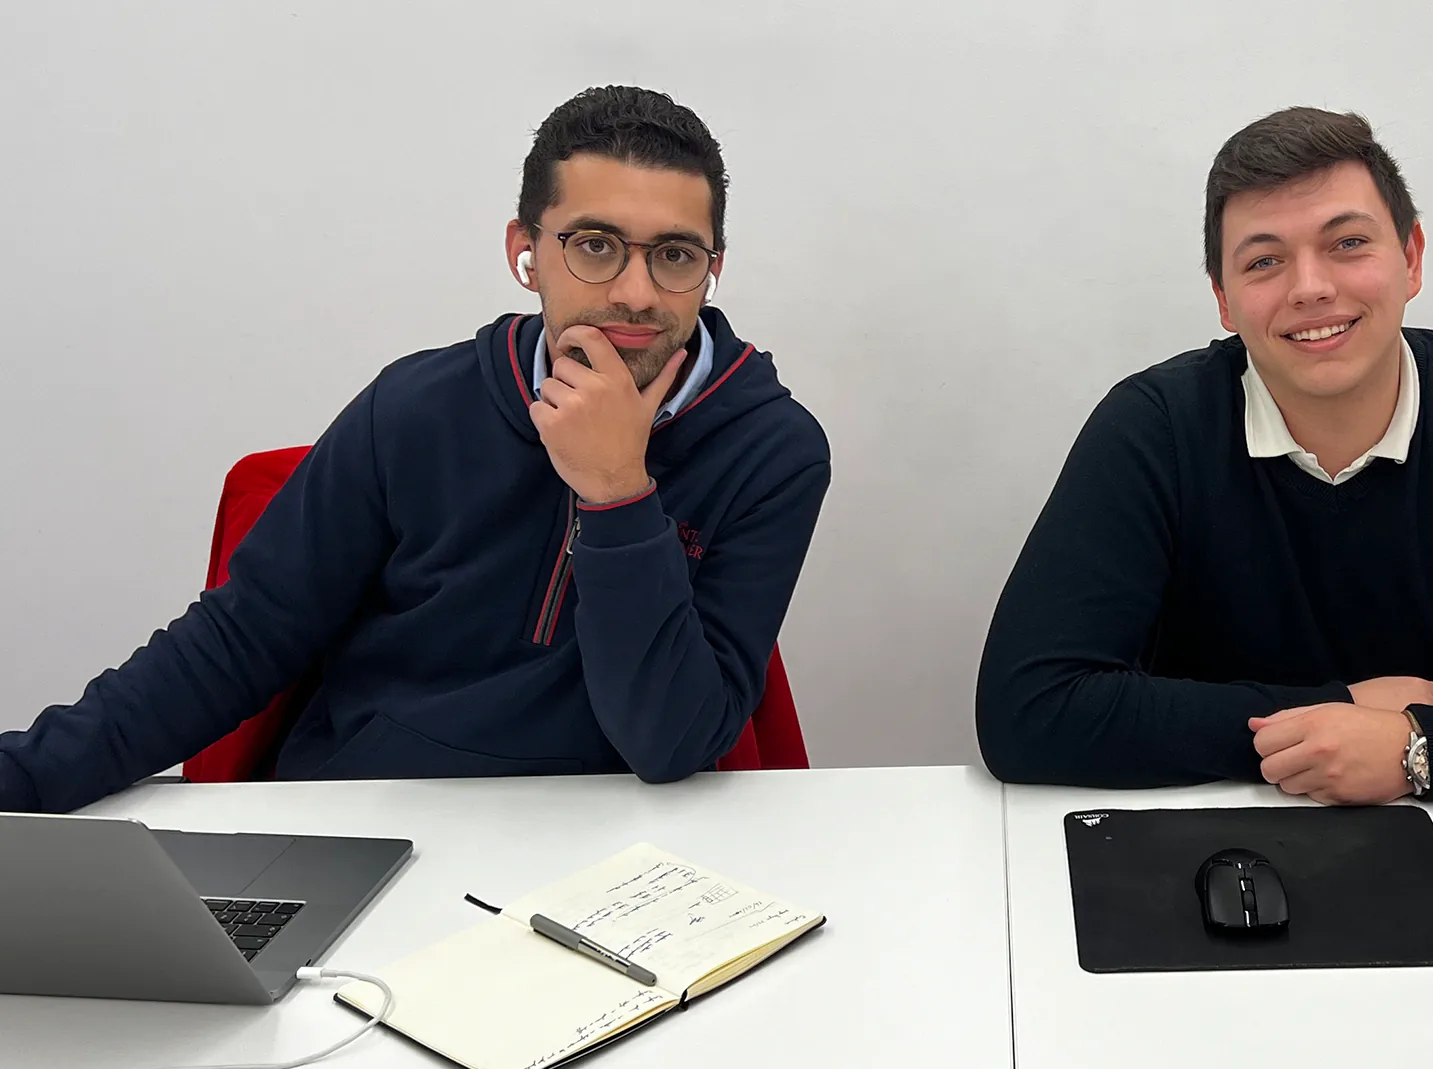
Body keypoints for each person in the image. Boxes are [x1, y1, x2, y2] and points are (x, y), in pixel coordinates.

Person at [0, 86, 830, 814]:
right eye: (594, 244)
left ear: (713, 268)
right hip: (367, 818)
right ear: (526, 251)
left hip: (613, 857)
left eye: (675, 255)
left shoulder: (771, 451)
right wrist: (23, 780)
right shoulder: (415, 406)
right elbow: (237, 644)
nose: (635, 292)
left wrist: (617, 492)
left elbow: (671, 739)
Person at [976, 107, 1433, 802]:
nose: (1309, 287)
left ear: (1411, 258)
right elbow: (1029, 709)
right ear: (1224, 300)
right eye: (1265, 261)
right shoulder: (1155, 429)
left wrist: (1422, 749)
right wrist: (1334, 712)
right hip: (1212, 829)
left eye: (1347, 243)